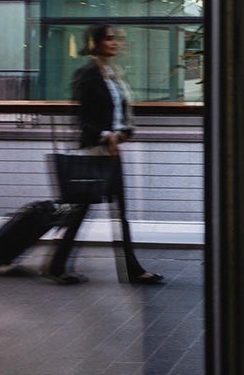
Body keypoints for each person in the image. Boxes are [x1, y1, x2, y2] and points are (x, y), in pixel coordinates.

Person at [43, 24, 164, 285]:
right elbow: (82, 119)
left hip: (110, 153)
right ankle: (58, 265)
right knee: (85, 212)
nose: (115, 43)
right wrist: (106, 135)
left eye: (116, 38)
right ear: (96, 43)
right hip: (95, 153)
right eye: (109, 39)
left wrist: (123, 133)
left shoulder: (113, 74)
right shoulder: (86, 75)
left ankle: (61, 265)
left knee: (112, 213)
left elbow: (120, 113)